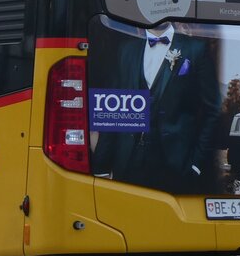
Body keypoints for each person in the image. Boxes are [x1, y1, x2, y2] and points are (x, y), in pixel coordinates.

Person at [89, 22, 221, 193]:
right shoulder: (126, 50)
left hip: (176, 165)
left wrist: (196, 163)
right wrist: (101, 167)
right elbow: (113, 108)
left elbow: (213, 110)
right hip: (129, 162)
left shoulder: (195, 49)